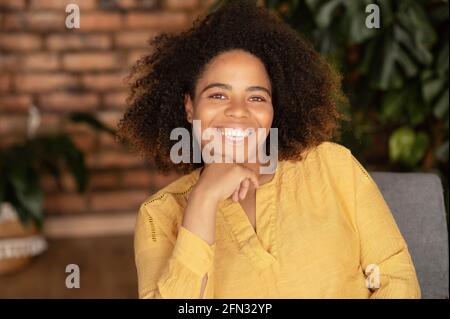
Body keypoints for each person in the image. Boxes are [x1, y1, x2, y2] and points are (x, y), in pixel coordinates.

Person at [117, 0, 421, 299]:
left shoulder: (334, 165)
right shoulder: (159, 215)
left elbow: (397, 278)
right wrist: (204, 200)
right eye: (219, 95)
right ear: (189, 107)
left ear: (275, 109)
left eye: (256, 98)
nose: (238, 111)